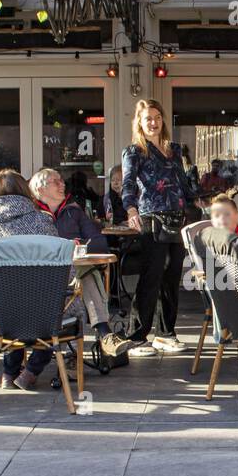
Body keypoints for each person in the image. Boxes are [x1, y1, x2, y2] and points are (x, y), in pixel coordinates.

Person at [0, 170, 72, 390]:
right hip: (42, 311)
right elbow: (62, 269)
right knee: (56, 305)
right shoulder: (41, 222)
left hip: (1, 314)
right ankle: (32, 370)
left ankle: (9, 372)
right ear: (26, 191)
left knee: (10, 298)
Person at [120, 98, 195, 358]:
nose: (153, 122)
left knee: (172, 278)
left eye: (157, 117)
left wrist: (198, 201)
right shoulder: (134, 151)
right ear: (139, 122)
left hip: (177, 218)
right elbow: (127, 183)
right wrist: (130, 210)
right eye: (148, 118)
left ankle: (165, 334)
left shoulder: (174, 149)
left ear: (163, 120)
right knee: (151, 277)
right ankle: (137, 337)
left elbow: (184, 184)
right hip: (151, 217)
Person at [30, 167, 131, 358]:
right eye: (56, 181)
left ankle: (103, 336)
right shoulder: (32, 217)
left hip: (74, 274)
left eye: (62, 180)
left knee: (86, 272)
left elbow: (100, 243)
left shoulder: (74, 212)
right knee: (85, 274)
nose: (63, 184)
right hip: (41, 278)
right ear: (40, 189)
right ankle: (104, 333)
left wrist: (78, 248)